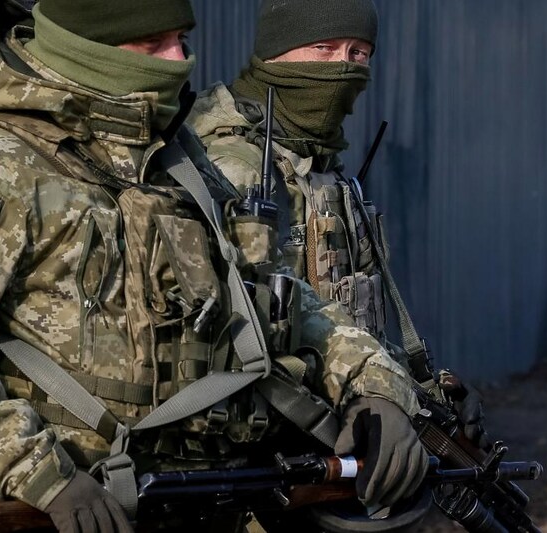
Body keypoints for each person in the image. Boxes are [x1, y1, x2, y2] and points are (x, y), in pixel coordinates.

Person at [0, 1, 428, 531]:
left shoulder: (179, 162)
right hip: (72, 510)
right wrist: (37, 473)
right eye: (152, 46)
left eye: (180, 39)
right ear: (88, 47)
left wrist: (372, 386)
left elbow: (279, 296)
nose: (178, 61)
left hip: (214, 501)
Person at [187, 0, 488, 450]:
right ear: (274, 52)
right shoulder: (228, 166)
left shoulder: (317, 164)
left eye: (358, 54)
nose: (342, 69)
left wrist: (419, 390)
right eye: (323, 48)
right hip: (258, 447)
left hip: (337, 428)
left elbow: (349, 310)